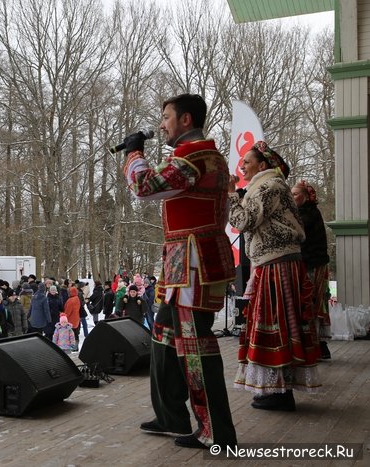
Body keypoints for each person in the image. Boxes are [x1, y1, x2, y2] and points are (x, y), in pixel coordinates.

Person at [124, 93, 237, 448]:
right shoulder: (204, 156)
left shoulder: (195, 156)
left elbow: (144, 186)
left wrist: (134, 154)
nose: (162, 125)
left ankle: (216, 431)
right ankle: (170, 414)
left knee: (196, 346)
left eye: (167, 118)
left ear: (186, 120)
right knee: (164, 336)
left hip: (193, 264)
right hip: (185, 263)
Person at [228, 141, 321, 411]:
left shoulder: (269, 186)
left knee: (276, 325)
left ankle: (281, 392)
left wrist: (232, 194)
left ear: (263, 165)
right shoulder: (267, 187)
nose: (242, 165)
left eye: (247, 161)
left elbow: (243, 221)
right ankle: (276, 388)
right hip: (273, 263)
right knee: (277, 324)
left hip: (276, 265)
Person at [292, 180, 332, 360]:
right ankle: (318, 346)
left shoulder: (308, 213)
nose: (292, 198)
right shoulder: (304, 212)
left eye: (295, 194)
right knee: (312, 302)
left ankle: (315, 346)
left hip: (313, 265)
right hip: (310, 263)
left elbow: (296, 232)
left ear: (306, 196)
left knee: (312, 302)